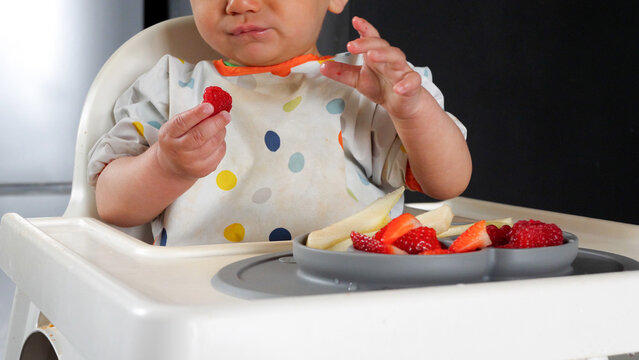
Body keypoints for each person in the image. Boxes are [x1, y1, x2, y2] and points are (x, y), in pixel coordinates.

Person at [87, 0, 472, 246]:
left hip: (350, 300)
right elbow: (111, 204)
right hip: (203, 308)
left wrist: (411, 110)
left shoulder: (371, 87)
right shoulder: (169, 90)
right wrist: (164, 166)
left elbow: (447, 182)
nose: (240, 4)